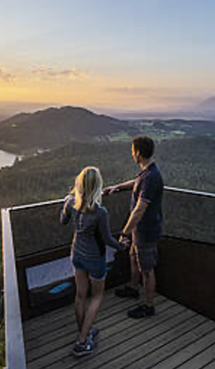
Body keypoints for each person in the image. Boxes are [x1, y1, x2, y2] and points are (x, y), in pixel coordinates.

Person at [61, 166, 128, 356]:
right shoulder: (100, 212)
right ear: (97, 186)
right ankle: (82, 342)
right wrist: (121, 245)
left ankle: (84, 332)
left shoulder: (71, 202)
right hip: (94, 259)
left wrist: (65, 202)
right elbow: (107, 239)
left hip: (77, 255)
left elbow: (63, 221)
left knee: (80, 295)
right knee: (97, 296)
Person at [105, 136, 164, 318]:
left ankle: (149, 306)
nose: (131, 154)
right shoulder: (147, 173)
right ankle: (133, 288)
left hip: (146, 231)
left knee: (146, 269)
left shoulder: (152, 176)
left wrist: (124, 233)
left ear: (138, 153)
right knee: (133, 258)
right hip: (140, 231)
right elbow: (136, 183)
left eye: (132, 151)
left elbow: (139, 210)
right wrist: (117, 187)